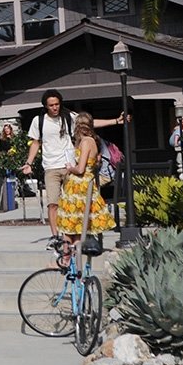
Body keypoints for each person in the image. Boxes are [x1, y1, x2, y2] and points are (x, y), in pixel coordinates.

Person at [20, 90, 124, 241]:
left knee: (71, 203)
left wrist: (115, 121)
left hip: (70, 166)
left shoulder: (69, 116)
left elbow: (88, 123)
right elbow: (36, 142)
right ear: (46, 106)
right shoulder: (39, 121)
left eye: (57, 104)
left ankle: (71, 235)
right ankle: (55, 236)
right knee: (53, 203)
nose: (55, 107)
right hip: (51, 166)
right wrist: (28, 162)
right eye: (51, 105)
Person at [56, 113, 118, 267]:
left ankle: (66, 259)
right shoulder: (94, 141)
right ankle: (74, 261)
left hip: (79, 186)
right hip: (87, 184)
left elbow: (81, 168)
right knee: (77, 225)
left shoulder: (85, 142)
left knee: (68, 225)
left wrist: (70, 167)